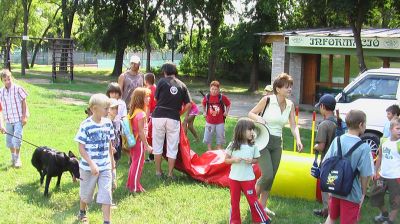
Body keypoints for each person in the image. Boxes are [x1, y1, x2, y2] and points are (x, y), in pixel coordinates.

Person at [248, 73, 303, 216]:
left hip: (277, 143)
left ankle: (263, 206)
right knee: (267, 175)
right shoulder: (267, 100)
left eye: (291, 86)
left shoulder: (290, 105)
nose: (290, 89)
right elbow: (251, 113)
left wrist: (298, 139)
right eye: (287, 87)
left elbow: (293, 125)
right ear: (278, 89)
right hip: (263, 141)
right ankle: (252, 203)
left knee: (272, 177)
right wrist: (259, 120)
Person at [323, 110, 374, 224]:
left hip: (335, 188)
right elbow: (365, 175)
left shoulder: (337, 140)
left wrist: (330, 184)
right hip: (351, 193)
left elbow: (326, 162)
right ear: (361, 124)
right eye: (365, 123)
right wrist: (363, 193)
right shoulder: (364, 147)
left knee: (332, 217)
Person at [74, 93, 115, 224]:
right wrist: (91, 164)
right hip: (88, 168)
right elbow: (81, 148)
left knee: (106, 194)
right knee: (86, 194)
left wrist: (112, 163)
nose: (108, 111)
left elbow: (109, 144)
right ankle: (82, 211)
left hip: (105, 167)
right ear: (94, 108)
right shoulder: (85, 125)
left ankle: (107, 221)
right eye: (106, 108)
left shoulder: (108, 124)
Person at [225, 118, 270, 224]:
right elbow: (226, 160)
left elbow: (257, 159)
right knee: (234, 202)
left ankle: (262, 220)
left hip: (248, 179)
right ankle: (234, 221)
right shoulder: (232, 145)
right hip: (234, 179)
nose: (252, 132)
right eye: (249, 130)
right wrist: (234, 160)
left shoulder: (253, 146)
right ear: (241, 131)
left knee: (253, 200)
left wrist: (251, 161)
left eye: (252, 130)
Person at [152, 63, 191, 179]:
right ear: (175, 72)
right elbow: (189, 104)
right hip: (173, 117)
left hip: (159, 115)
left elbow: (155, 98)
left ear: (165, 72)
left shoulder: (161, 82)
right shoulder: (182, 85)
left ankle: (158, 172)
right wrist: (180, 113)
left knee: (157, 144)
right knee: (172, 146)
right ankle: (170, 174)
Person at [312, 94, 338, 218]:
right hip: (339, 161)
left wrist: (314, 147)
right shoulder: (338, 121)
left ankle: (328, 212)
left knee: (326, 188)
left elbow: (321, 146)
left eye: (320, 106)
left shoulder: (324, 125)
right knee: (333, 187)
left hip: (327, 161)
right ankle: (332, 211)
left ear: (322, 106)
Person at [370, 117, 400, 224]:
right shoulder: (384, 141)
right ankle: (384, 214)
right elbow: (380, 157)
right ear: (391, 129)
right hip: (382, 176)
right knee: (375, 194)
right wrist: (375, 171)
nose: (399, 131)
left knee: (395, 200)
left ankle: (390, 221)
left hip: (396, 178)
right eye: (398, 128)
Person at [126, 87, 153, 193]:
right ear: (140, 99)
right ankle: (134, 187)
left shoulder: (134, 111)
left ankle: (130, 184)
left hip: (134, 141)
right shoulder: (141, 114)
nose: (149, 99)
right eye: (147, 97)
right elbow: (141, 132)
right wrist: (147, 145)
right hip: (139, 143)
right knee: (138, 165)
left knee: (134, 163)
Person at [0, 69, 28, 168]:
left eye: (9, 79)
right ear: (2, 81)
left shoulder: (18, 89)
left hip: (18, 119)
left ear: (11, 78)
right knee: (9, 140)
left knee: (17, 138)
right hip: (8, 120)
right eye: (5, 80)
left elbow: (24, 102)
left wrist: (24, 116)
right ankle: (13, 157)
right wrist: (1, 124)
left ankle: (17, 158)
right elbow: (0, 109)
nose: (7, 81)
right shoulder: (1, 92)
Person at [202, 80, 231, 151]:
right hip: (209, 121)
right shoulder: (207, 97)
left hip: (220, 121)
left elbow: (228, 104)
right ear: (210, 89)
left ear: (218, 89)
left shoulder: (221, 97)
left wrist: (226, 112)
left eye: (216, 89)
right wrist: (204, 111)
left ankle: (219, 147)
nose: (214, 91)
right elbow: (203, 103)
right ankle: (209, 148)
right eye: (212, 89)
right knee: (208, 134)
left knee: (220, 135)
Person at [106, 82, 127, 162]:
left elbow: (124, 116)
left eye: (116, 93)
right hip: (107, 129)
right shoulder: (106, 102)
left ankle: (113, 166)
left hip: (117, 130)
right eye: (112, 92)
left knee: (117, 154)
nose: (114, 95)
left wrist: (127, 131)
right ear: (108, 93)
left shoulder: (122, 103)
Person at [108, 99, 121, 191]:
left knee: (113, 168)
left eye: (117, 108)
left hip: (116, 150)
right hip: (108, 152)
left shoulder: (116, 122)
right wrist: (111, 147)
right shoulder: (106, 122)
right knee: (109, 173)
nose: (115, 110)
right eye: (113, 108)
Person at [144, 73, 156, 163]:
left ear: (146, 81)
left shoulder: (147, 91)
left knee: (149, 137)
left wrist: (146, 120)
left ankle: (151, 157)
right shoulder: (156, 88)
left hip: (151, 116)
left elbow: (148, 107)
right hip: (158, 115)